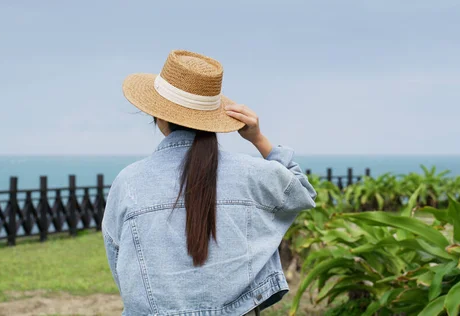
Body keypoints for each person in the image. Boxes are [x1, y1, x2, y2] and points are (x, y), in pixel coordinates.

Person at [102, 50, 316, 316]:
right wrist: (258, 138)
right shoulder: (252, 174)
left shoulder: (129, 183)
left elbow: (119, 258)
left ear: (159, 116)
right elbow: (302, 192)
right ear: (212, 118)